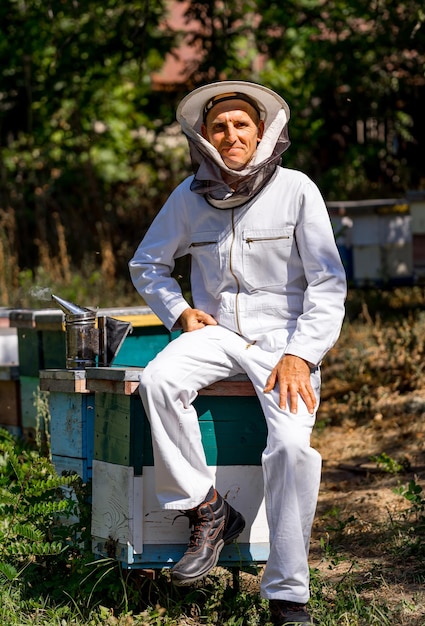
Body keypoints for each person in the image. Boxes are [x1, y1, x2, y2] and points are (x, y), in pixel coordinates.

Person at [129, 81, 346, 626]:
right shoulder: (188, 196)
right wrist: (178, 313)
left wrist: (303, 353)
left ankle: (288, 595)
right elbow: (146, 264)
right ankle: (208, 507)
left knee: (293, 450)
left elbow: (327, 283)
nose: (231, 135)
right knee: (157, 383)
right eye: (219, 126)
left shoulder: (297, 190)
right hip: (217, 334)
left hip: (284, 343)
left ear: (263, 131)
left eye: (241, 124)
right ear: (204, 137)